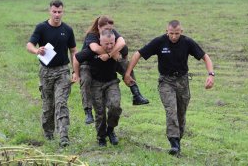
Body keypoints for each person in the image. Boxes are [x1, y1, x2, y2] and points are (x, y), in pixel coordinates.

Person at [124, 20, 214, 155]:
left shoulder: (187, 42)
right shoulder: (159, 42)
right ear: (167, 31)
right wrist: (127, 73)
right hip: (166, 81)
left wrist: (211, 75)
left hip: (183, 82)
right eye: (171, 33)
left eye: (176, 34)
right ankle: (174, 143)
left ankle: (177, 141)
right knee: (171, 110)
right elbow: (138, 54)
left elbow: (205, 57)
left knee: (180, 114)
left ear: (181, 32)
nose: (173, 36)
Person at [79, 15, 149, 125]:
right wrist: (111, 54)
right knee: (85, 79)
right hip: (89, 62)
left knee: (124, 62)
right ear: (99, 27)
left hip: (108, 59)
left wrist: (112, 54)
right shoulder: (92, 35)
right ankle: (87, 111)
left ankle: (136, 93)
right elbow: (95, 48)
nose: (109, 31)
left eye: (111, 29)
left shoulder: (111, 32)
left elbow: (122, 43)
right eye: (106, 29)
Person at [26, 0, 77, 147]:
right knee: (49, 105)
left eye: (59, 12)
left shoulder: (67, 30)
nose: (57, 14)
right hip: (46, 72)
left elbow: (73, 51)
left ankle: (63, 136)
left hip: (62, 71)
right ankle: (48, 132)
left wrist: (75, 71)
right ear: (50, 11)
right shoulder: (41, 28)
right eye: (54, 11)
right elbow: (29, 44)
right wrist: (37, 50)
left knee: (61, 102)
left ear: (63, 12)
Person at [72, 29, 125, 147]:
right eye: (107, 44)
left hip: (112, 82)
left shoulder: (117, 49)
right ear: (100, 41)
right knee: (100, 113)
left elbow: (125, 59)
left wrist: (127, 76)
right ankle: (101, 137)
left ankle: (110, 130)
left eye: (112, 43)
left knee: (115, 107)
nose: (110, 46)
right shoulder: (91, 51)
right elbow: (76, 58)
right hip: (96, 84)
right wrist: (76, 74)